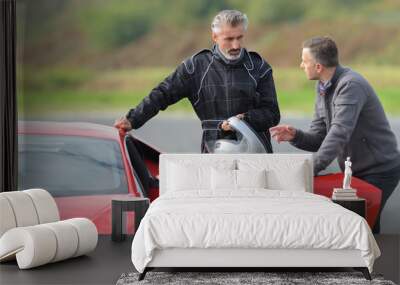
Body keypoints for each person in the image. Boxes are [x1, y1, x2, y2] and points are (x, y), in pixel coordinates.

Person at [269, 36, 400, 233]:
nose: (301, 65)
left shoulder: (350, 85)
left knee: (361, 227)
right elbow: (319, 137)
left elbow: (339, 133)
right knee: (362, 226)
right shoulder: (322, 87)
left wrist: (308, 169)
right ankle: (365, 262)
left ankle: (371, 263)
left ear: (318, 66)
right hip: (355, 171)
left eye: (305, 61)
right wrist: (296, 136)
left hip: (380, 170)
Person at [114, 10, 280, 153]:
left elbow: (272, 114)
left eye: (239, 38)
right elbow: (162, 94)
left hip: (256, 152)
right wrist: (133, 119)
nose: (236, 45)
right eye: (229, 39)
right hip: (213, 152)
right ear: (214, 37)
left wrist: (241, 121)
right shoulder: (195, 67)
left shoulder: (259, 67)